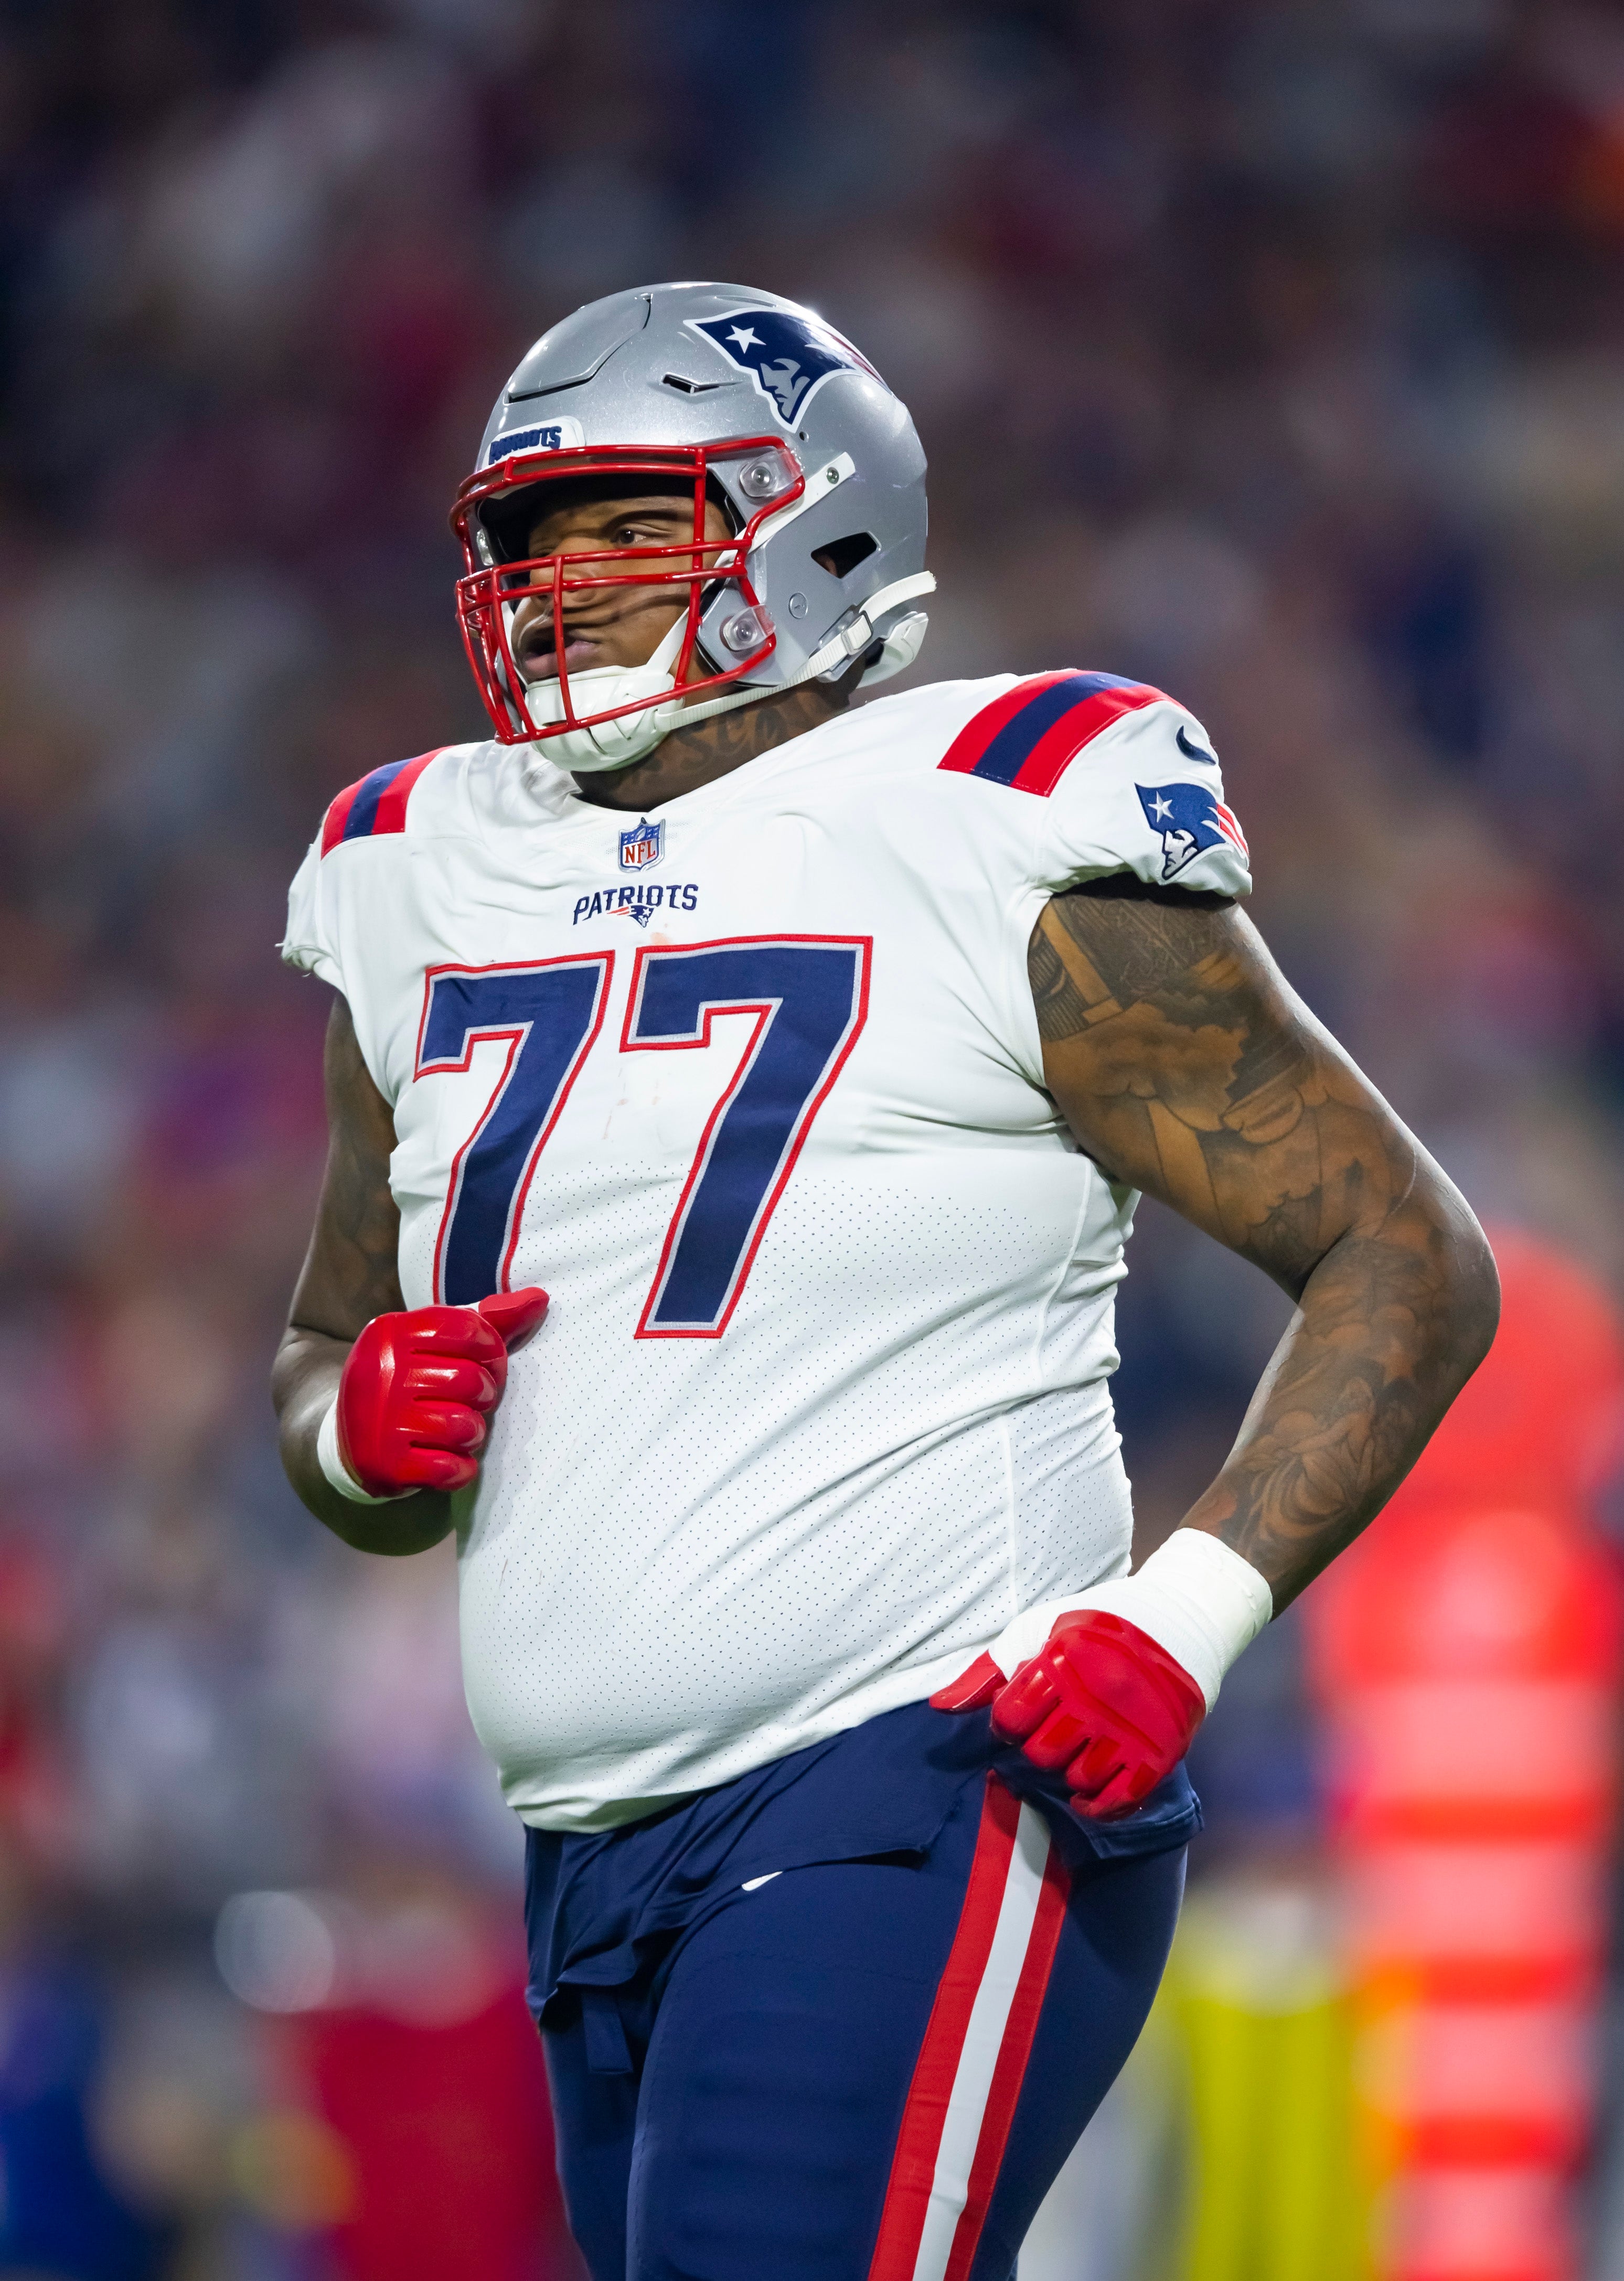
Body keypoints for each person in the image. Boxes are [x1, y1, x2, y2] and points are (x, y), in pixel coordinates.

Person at [272, 283, 1498, 2281]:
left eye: (620, 524)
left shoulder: (997, 812)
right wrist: (352, 1430)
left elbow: (1403, 1252)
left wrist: (1178, 1623)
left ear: (812, 522)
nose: (557, 586)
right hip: (585, 1853)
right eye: (527, 539)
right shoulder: (418, 868)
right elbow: (323, 1364)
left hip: (924, 1777)